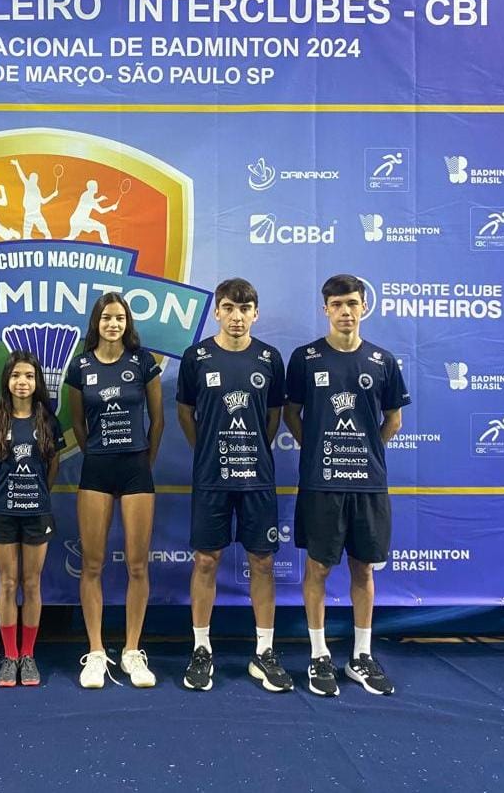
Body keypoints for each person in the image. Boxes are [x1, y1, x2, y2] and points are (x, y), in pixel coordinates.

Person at [283, 274, 409, 697]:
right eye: (337, 304)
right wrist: (317, 450)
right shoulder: (305, 358)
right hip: (321, 484)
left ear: (364, 308)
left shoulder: (382, 361)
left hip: (368, 484)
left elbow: (393, 419)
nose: (345, 312)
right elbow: (291, 413)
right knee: (318, 567)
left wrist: (368, 450)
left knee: (364, 568)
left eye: (352, 303)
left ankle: (361, 656)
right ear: (325, 309)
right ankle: (319, 654)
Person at [176, 278, 291, 693]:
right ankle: (201, 648)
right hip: (211, 477)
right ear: (217, 313)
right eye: (228, 308)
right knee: (206, 561)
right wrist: (208, 450)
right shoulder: (197, 357)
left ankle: (264, 651)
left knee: (262, 562)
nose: (237, 316)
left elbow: (273, 417)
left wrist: (252, 449)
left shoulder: (270, 358)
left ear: (255, 314)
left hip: (257, 478)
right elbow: (186, 413)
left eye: (244, 309)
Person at [67, 292, 163, 689]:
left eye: (120, 318)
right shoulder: (81, 366)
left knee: (137, 565)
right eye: (106, 317)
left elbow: (157, 421)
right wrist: (98, 453)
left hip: (136, 469)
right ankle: (96, 652)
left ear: (127, 323)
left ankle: (132, 651)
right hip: (97, 469)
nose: (113, 324)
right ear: (96, 322)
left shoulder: (142, 362)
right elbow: (77, 424)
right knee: (92, 564)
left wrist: (143, 461)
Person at [0, 351, 65, 687]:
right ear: (7, 381)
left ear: (37, 382)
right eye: (16, 375)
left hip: (37, 513)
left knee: (31, 584)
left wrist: (38, 493)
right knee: (7, 583)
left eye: (29, 376)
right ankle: (10, 656)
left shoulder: (48, 422)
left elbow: (53, 465)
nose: (22, 382)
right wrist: (5, 492)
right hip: (3, 512)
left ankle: (28, 655)